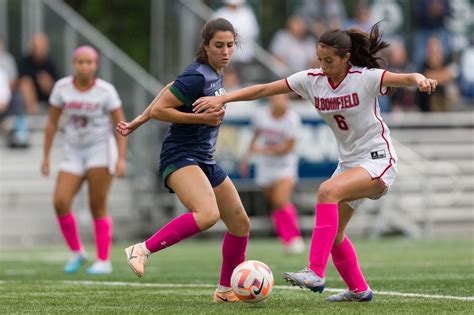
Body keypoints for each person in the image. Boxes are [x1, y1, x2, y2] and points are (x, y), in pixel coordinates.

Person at [193, 23, 437, 302]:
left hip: (378, 159)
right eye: (319, 59)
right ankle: (359, 291)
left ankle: (315, 272)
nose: (322, 66)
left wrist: (420, 80)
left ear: (346, 58)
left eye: (329, 60)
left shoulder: (365, 78)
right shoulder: (311, 80)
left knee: (327, 191)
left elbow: (406, 78)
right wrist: (224, 99)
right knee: (334, 235)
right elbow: (263, 90)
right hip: (349, 163)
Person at [117, 18, 250, 303]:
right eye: (219, 45)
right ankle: (142, 249)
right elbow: (162, 109)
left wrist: (136, 121)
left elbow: (167, 88)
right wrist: (198, 118)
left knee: (240, 223)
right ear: (205, 46)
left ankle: (225, 291)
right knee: (208, 214)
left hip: (204, 158)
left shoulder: (213, 72)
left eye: (230, 45)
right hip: (180, 155)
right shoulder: (198, 75)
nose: (225, 51)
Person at [41, 46, 127, 275]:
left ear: (95, 65)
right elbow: (51, 124)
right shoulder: (61, 88)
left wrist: (121, 159)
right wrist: (46, 156)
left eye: (89, 62)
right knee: (60, 201)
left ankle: (103, 260)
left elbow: (121, 126)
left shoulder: (105, 91)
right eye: (80, 62)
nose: (84, 66)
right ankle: (78, 252)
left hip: (100, 150)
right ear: (74, 64)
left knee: (97, 205)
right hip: (73, 151)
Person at [240, 93, 304, 254]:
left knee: (280, 200)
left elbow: (288, 148)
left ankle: (294, 238)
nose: (279, 102)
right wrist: (246, 159)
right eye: (276, 99)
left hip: (285, 165)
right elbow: (255, 136)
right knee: (274, 204)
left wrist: (262, 150)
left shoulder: (292, 119)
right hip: (266, 166)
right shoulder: (260, 115)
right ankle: (286, 239)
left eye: (282, 99)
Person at [19, 32, 58, 114]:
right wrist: (38, 77)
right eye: (36, 47)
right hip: (30, 96)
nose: (39, 50)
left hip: (47, 95)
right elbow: (21, 78)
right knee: (26, 83)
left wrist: (49, 82)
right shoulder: (25, 61)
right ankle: (32, 112)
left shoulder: (50, 63)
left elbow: (57, 82)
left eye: (41, 47)